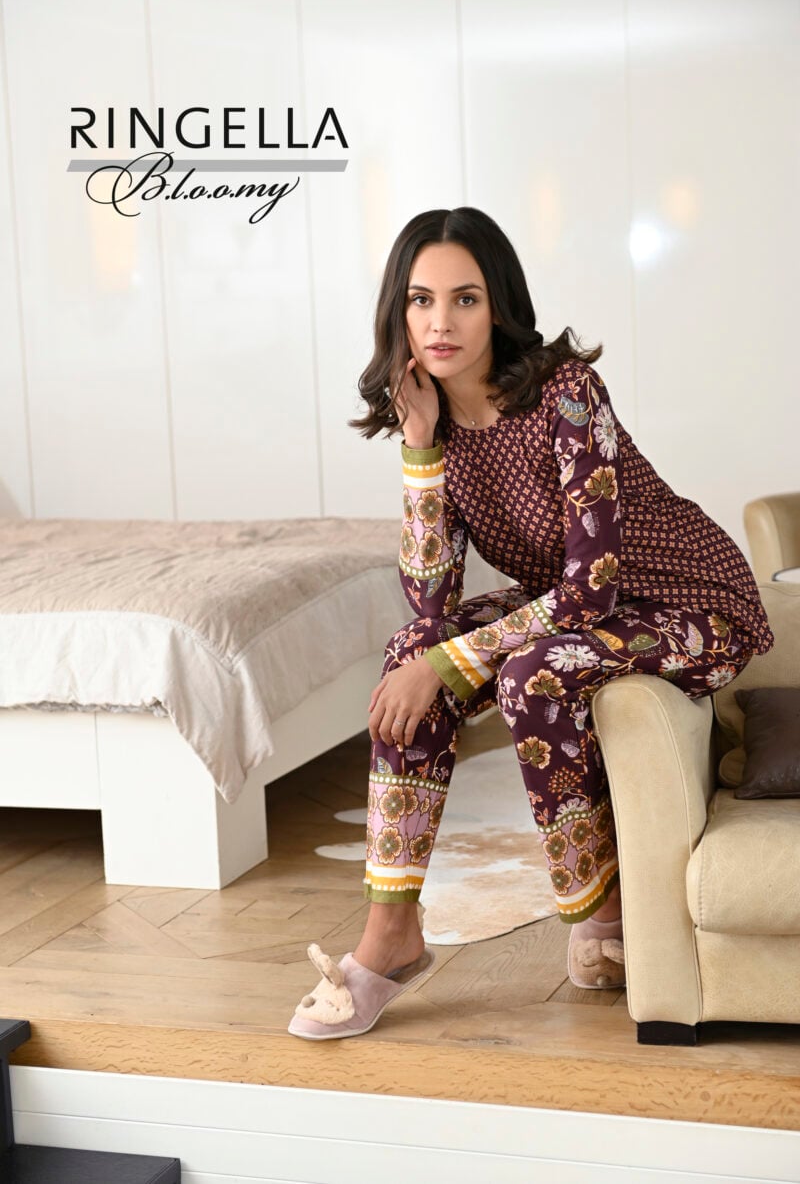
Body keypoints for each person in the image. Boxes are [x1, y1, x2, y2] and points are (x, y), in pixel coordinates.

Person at [288, 206, 774, 1041]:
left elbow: (591, 587)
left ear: (499, 306)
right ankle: (391, 932)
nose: (440, 322)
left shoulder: (565, 392)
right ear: (398, 311)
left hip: (693, 602)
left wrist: (450, 666)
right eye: (421, 300)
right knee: (411, 648)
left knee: (526, 673)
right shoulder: (434, 420)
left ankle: (601, 911)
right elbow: (430, 603)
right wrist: (419, 448)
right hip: (576, 604)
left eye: (465, 299)